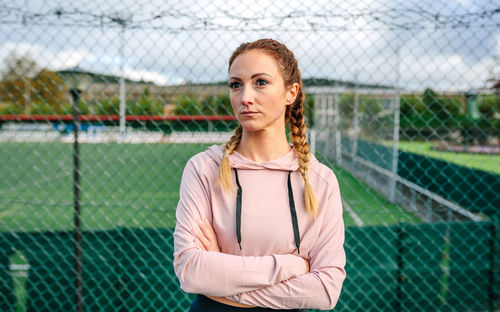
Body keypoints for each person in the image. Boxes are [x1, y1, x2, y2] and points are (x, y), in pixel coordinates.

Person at [173, 38, 346, 311]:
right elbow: (190, 271)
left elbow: (325, 290)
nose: (245, 98)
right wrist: (290, 266)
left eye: (261, 82)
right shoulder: (204, 169)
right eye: (236, 85)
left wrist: (223, 282)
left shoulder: (319, 180)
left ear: (291, 92)